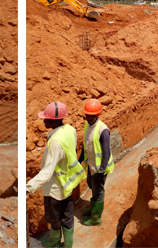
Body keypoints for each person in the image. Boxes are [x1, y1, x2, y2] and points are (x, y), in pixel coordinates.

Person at [26, 101, 86, 248]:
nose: (43, 121)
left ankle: (54, 244)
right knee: (67, 214)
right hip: (66, 183)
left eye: (46, 118)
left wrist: (27, 188)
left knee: (54, 219)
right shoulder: (70, 130)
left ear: (53, 120)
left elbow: (47, 172)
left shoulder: (55, 142)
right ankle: (68, 244)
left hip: (54, 188)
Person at [78, 99, 114, 227]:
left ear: (97, 115)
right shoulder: (88, 125)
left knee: (98, 191)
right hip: (92, 166)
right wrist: (81, 158)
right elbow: (86, 143)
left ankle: (96, 218)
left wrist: (101, 170)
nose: (88, 118)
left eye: (91, 116)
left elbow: (106, 152)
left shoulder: (102, 130)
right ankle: (93, 208)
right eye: (87, 115)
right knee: (91, 185)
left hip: (100, 168)